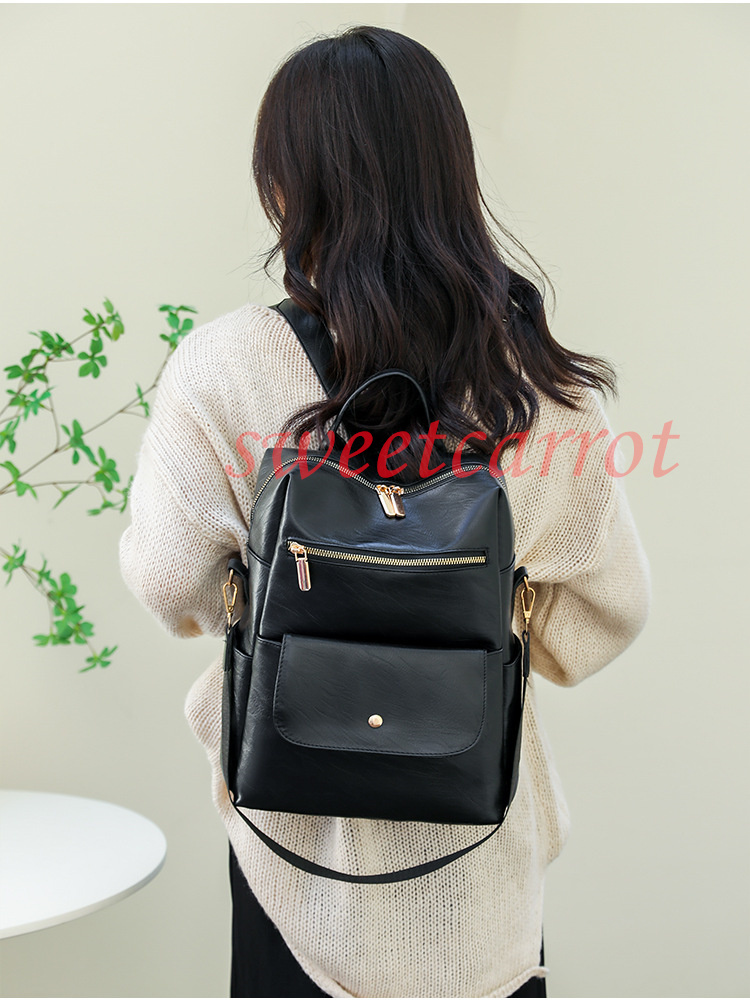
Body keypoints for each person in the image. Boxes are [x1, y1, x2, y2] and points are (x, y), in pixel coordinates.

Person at [119, 25, 651, 998]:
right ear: (450, 172)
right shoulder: (544, 383)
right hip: (482, 863)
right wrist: (490, 609)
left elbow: (170, 581)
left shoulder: (226, 364)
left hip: (293, 857)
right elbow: (601, 619)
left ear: (287, 184)